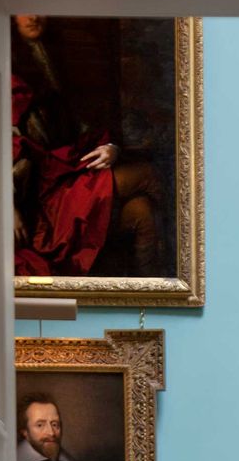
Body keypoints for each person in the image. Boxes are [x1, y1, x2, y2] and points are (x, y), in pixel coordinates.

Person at [11, 14, 164, 277]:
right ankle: (193, 268)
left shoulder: (54, 63)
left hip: (63, 177)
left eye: (41, 9)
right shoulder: (6, 73)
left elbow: (77, 130)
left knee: (142, 213)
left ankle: (159, 299)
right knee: (149, 175)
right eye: (25, 9)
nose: (34, 16)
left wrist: (112, 148)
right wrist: (7, 204)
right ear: (11, 19)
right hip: (43, 202)